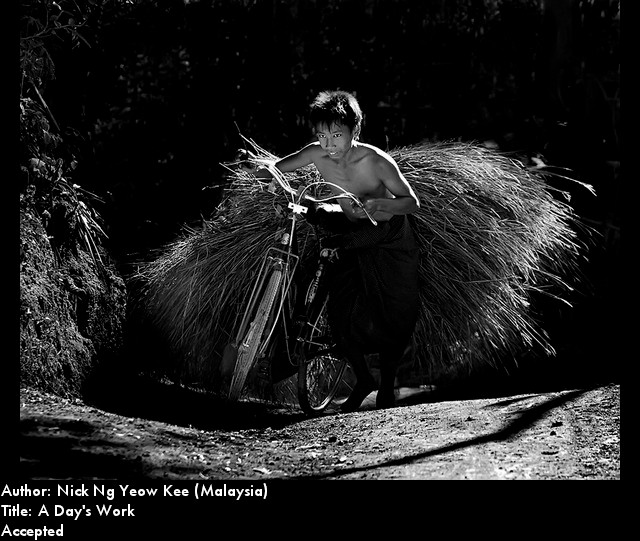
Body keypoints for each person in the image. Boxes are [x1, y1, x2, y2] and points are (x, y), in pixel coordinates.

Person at [239, 90, 420, 412]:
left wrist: (378, 203)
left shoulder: (376, 161)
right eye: (322, 136)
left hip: (387, 235)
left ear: (355, 130)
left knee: (394, 310)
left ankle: (387, 385)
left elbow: (411, 203)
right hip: (350, 228)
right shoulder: (316, 153)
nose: (328, 144)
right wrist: (252, 174)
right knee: (339, 310)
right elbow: (277, 169)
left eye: (337, 135)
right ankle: (362, 378)